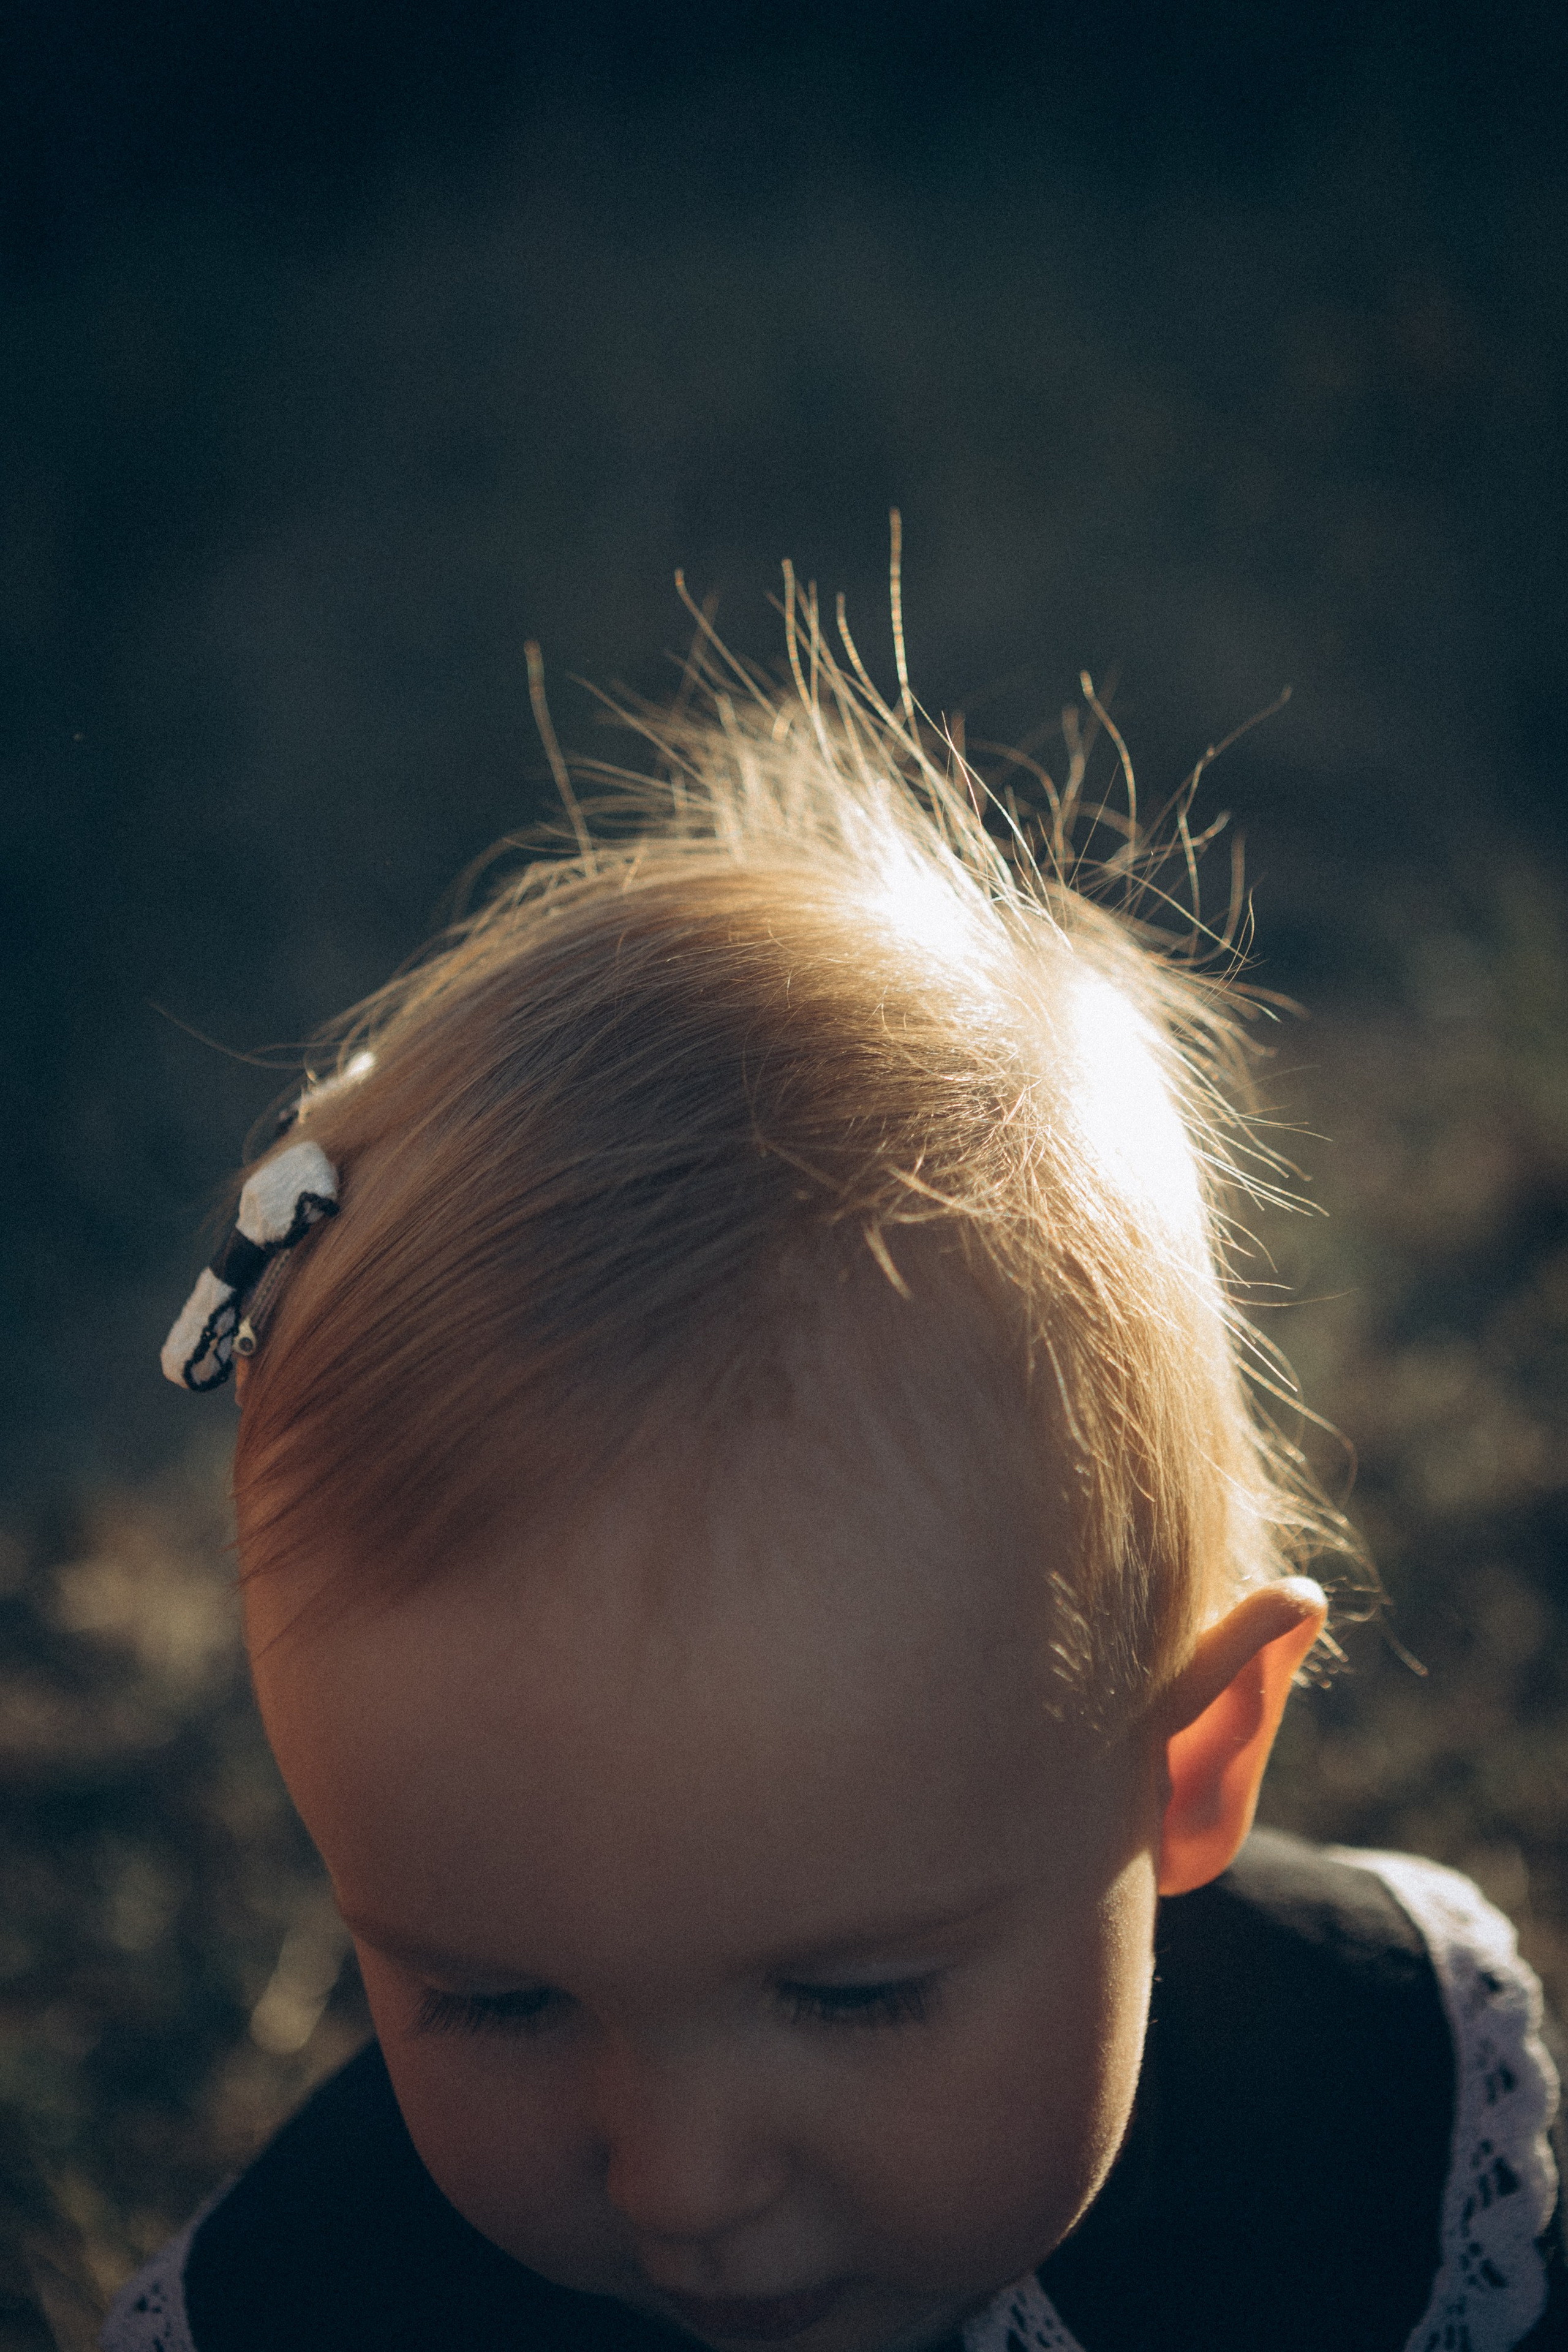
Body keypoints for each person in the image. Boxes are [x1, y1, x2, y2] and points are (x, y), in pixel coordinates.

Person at [107, 578, 1564, 2352]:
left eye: (854, 1994)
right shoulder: (339, 2304)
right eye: (492, 2000)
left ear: (1189, 1756)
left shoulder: (1368, 2117)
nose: (682, 2181)